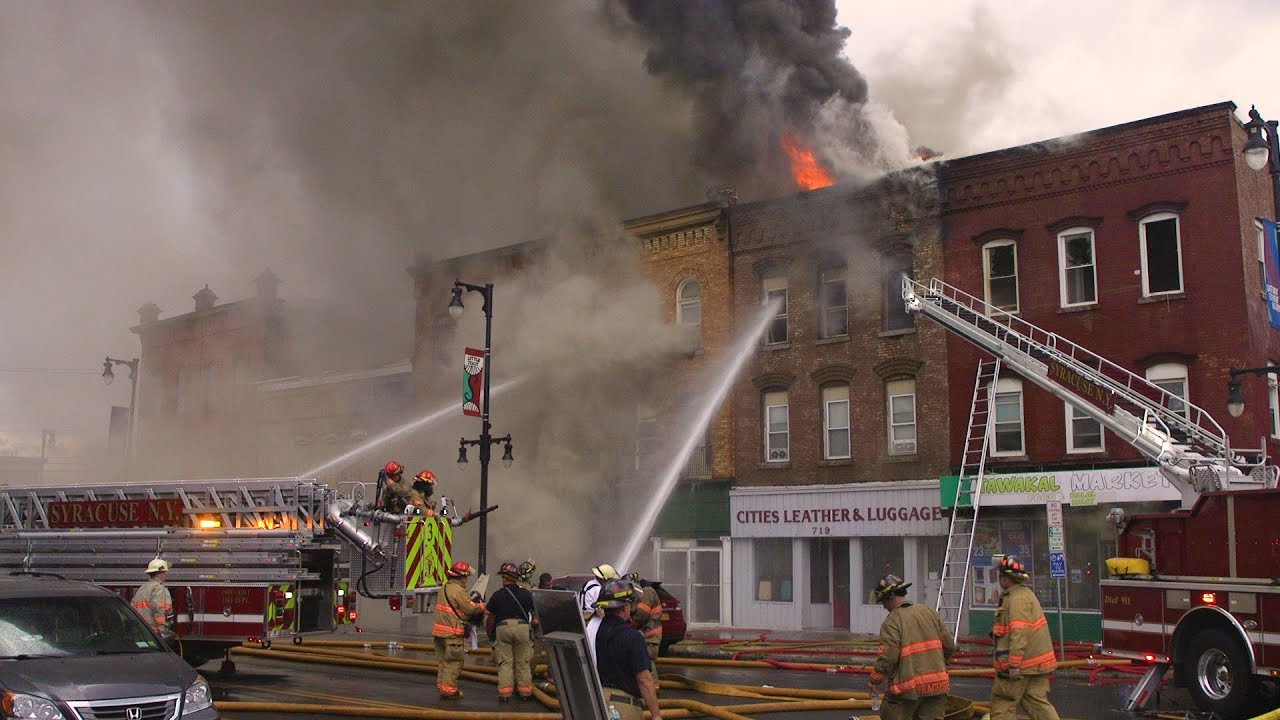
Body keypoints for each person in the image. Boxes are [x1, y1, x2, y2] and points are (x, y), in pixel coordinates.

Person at [867, 574, 955, 720]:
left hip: (908, 691)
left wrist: (874, 680)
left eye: (883, 601)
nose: (884, 606)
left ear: (891, 597)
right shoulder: (929, 612)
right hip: (938, 687)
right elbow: (950, 646)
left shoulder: (892, 621)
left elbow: (888, 657)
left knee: (889, 714)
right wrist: (940, 664)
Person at [989, 556, 1060, 720]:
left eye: (1000, 576)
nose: (999, 579)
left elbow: (1019, 633)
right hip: (1034, 665)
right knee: (1037, 703)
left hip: (1020, 665)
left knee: (1002, 704)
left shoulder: (1017, 599)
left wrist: (1013, 664)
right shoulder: (1023, 594)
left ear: (1006, 578)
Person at [593, 578, 662, 720]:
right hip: (623, 707)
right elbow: (644, 680)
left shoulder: (593, 632)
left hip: (596, 704)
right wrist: (656, 715)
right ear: (625, 607)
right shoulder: (632, 637)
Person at [433, 560, 485, 701]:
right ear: (462, 576)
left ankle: (442, 686)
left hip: (439, 633)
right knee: (453, 662)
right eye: (466, 576)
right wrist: (481, 606)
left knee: (443, 661)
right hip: (452, 634)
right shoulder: (459, 591)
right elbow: (469, 608)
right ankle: (449, 691)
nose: (466, 579)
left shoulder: (444, 588)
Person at [486, 562, 535, 702]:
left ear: (505, 578)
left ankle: (505, 694)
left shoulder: (497, 595)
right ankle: (525, 693)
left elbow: (489, 615)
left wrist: (490, 633)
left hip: (503, 628)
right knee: (523, 662)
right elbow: (535, 614)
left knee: (505, 663)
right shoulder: (526, 593)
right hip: (522, 628)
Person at [580, 563, 619, 663]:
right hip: (593, 621)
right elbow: (602, 610)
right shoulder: (598, 589)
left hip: (585, 619)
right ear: (604, 578)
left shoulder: (588, 584)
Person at [132, 558, 174, 634]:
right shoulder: (159, 588)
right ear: (161, 573)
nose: (165, 575)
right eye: (164, 572)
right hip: (153, 631)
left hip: (141, 629)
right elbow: (158, 608)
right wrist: (161, 628)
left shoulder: (143, 587)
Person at [630, 574, 664, 663]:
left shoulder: (646, 592)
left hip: (649, 638)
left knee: (646, 666)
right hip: (648, 637)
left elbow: (641, 615)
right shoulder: (645, 592)